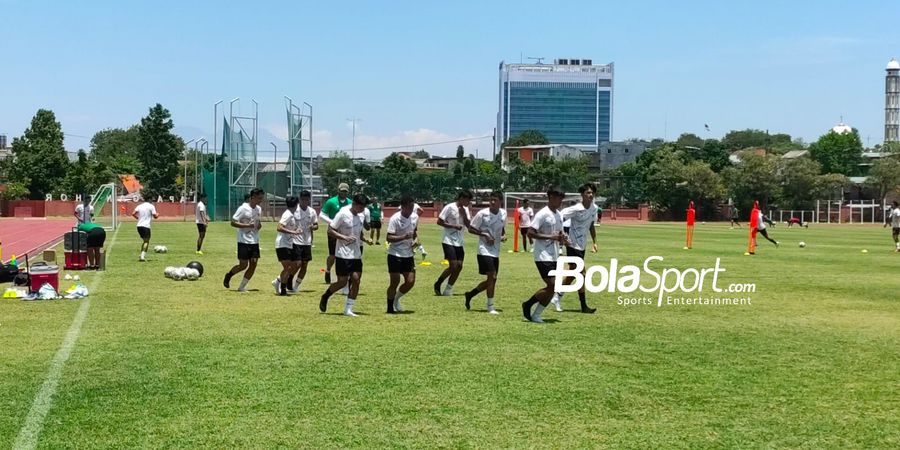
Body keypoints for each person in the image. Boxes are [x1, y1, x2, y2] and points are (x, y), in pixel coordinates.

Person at [320, 194, 372, 316]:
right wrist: (344, 237)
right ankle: (326, 295)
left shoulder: (361, 215)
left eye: (364, 207)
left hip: (356, 254)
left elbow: (358, 233)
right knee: (342, 282)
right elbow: (330, 230)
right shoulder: (342, 214)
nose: (362, 210)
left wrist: (364, 239)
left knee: (356, 280)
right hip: (343, 254)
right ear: (354, 204)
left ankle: (348, 309)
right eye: (361, 207)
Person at [523, 186, 570, 323]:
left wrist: (564, 239)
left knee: (553, 287)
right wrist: (551, 237)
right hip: (542, 255)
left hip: (554, 255)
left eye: (561, 198)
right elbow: (530, 233)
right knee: (553, 285)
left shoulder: (559, 215)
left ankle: (536, 314)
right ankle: (528, 304)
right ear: (550, 197)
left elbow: (559, 233)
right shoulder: (542, 214)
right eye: (557, 198)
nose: (560, 201)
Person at [552, 183, 599, 313]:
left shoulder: (594, 209)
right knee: (582, 273)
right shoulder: (576, 209)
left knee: (573, 274)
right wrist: (562, 234)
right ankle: (583, 306)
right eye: (588, 193)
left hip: (582, 245)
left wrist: (595, 242)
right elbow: (559, 217)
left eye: (592, 193)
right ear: (582, 195)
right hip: (572, 244)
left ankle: (557, 296)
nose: (590, 195)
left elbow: (591, 225)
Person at [464, 191, 506, 315]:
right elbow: (471, 228)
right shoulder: (482, 214)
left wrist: (503, 235)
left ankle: (470, 294)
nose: (492, 202)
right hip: (484, 250)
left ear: (500, 202)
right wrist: (484, 234)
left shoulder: (503, 213)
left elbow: (502, 228)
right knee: (492, 276)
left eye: (495, 200)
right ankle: (490, 306)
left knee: (492, 279)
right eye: (491, 200)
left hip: (496, 251)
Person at [223, 188, 264, 292]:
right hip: (243, 241)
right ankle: (229, 275)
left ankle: (242, 287)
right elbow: (233, 222)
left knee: (253, 264)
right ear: (252, 197)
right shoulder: (243, 208)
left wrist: (258, 226)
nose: (261, 200)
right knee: (243, 265)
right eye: (259, 198)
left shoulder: (258, 209)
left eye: (262, 198)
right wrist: (247, 225)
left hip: (254, 241)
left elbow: (258, 223)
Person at [434, 190, 473, 296]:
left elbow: (468, 225)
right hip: (448, 240)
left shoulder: (465, 209)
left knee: (459, 266)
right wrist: (453, 226)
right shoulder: (449, 207)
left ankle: (448, 289)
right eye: (467, 200)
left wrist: (464, 215)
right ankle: (439, 282)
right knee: (453, 265)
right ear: (461, 198)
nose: (468, 202)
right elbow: (439, 221)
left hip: (459, 241)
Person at [385, 195, 419, 313]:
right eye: (409, 208)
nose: (411, 210)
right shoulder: (395, 219)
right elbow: (388, 237)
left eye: (412, 208)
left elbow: (414, 231)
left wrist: (415, 240)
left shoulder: (415, 217)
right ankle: (390, 307)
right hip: (395, 254)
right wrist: (403, 237)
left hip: (408, 254)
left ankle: (396, 299)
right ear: (403, 207)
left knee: (410, 281)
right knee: (394, 281)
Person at [319, 183, 352, 284]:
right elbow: (322, 214)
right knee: (333, 255)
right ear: (338, 191)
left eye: (345, 191)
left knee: (345, 254)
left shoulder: (350, 203)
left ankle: (344, 276)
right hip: (333, 230)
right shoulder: (331, 201)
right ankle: (328, 270)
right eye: (342, 191)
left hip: (345, 231)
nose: (343, 193)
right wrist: (332, 222)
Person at [287, 190, 319, 293]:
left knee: (305, 264)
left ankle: (296, 286)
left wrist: (312, 227)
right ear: (299, 199)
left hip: (307, 241)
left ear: (309, 200)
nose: (304, 201)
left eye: (306, 199)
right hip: (296, 240)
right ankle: (289, 278)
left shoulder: (312, 211)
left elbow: (316, 225)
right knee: (297, 263)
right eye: (302, 199)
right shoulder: (294, 210)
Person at [273, 196, 301, 296]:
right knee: (288, 267)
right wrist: (293, 231)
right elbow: (279, 227)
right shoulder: (288, 214)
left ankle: (278, 282)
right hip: (282, 244)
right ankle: (282, 288)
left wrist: (295, 231)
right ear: (296, 205)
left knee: (294, 265)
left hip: (288, 244)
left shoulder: (291, 215)